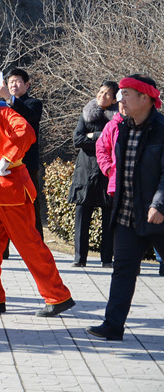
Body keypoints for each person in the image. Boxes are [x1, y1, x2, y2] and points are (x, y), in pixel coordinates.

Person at [0, 81, 74, 317]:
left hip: (10, 189)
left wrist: (9, 157)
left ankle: (57, 296)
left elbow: (26, 132)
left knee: (28, 244)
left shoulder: (1, 111)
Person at [87, 75, 164, 341]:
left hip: (158, 215)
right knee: (123, 270)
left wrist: (159, 203)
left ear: (145, 98)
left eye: (127, 93)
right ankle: (112, 325)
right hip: (127, 213)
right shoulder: (122, 127)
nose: (121, 99)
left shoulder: (162, 129)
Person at [70, 81, 117, 267]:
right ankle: (79, 259)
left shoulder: (118, 117)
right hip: (86, 171)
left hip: (108, 172)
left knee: (109, 219)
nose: (101, 96)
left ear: (114, 99)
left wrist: (93, 136)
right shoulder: (87, 113)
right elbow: (77, 139)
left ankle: (107, 259)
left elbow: (116, 142)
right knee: (82, 217)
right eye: (100, 91)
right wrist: (101, 137)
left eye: (107, 94)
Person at [0, 67, 45, 233]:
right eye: (10, 82)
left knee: (31, 205)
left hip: (26, 162)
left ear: (27, 84)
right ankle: (3, 250)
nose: (13, 85)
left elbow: (30, 116)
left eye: (17, 81)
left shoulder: (34, 103)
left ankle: (38, 246)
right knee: (3, 204)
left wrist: (8, 97)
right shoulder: (1, 105)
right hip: (3, 161)